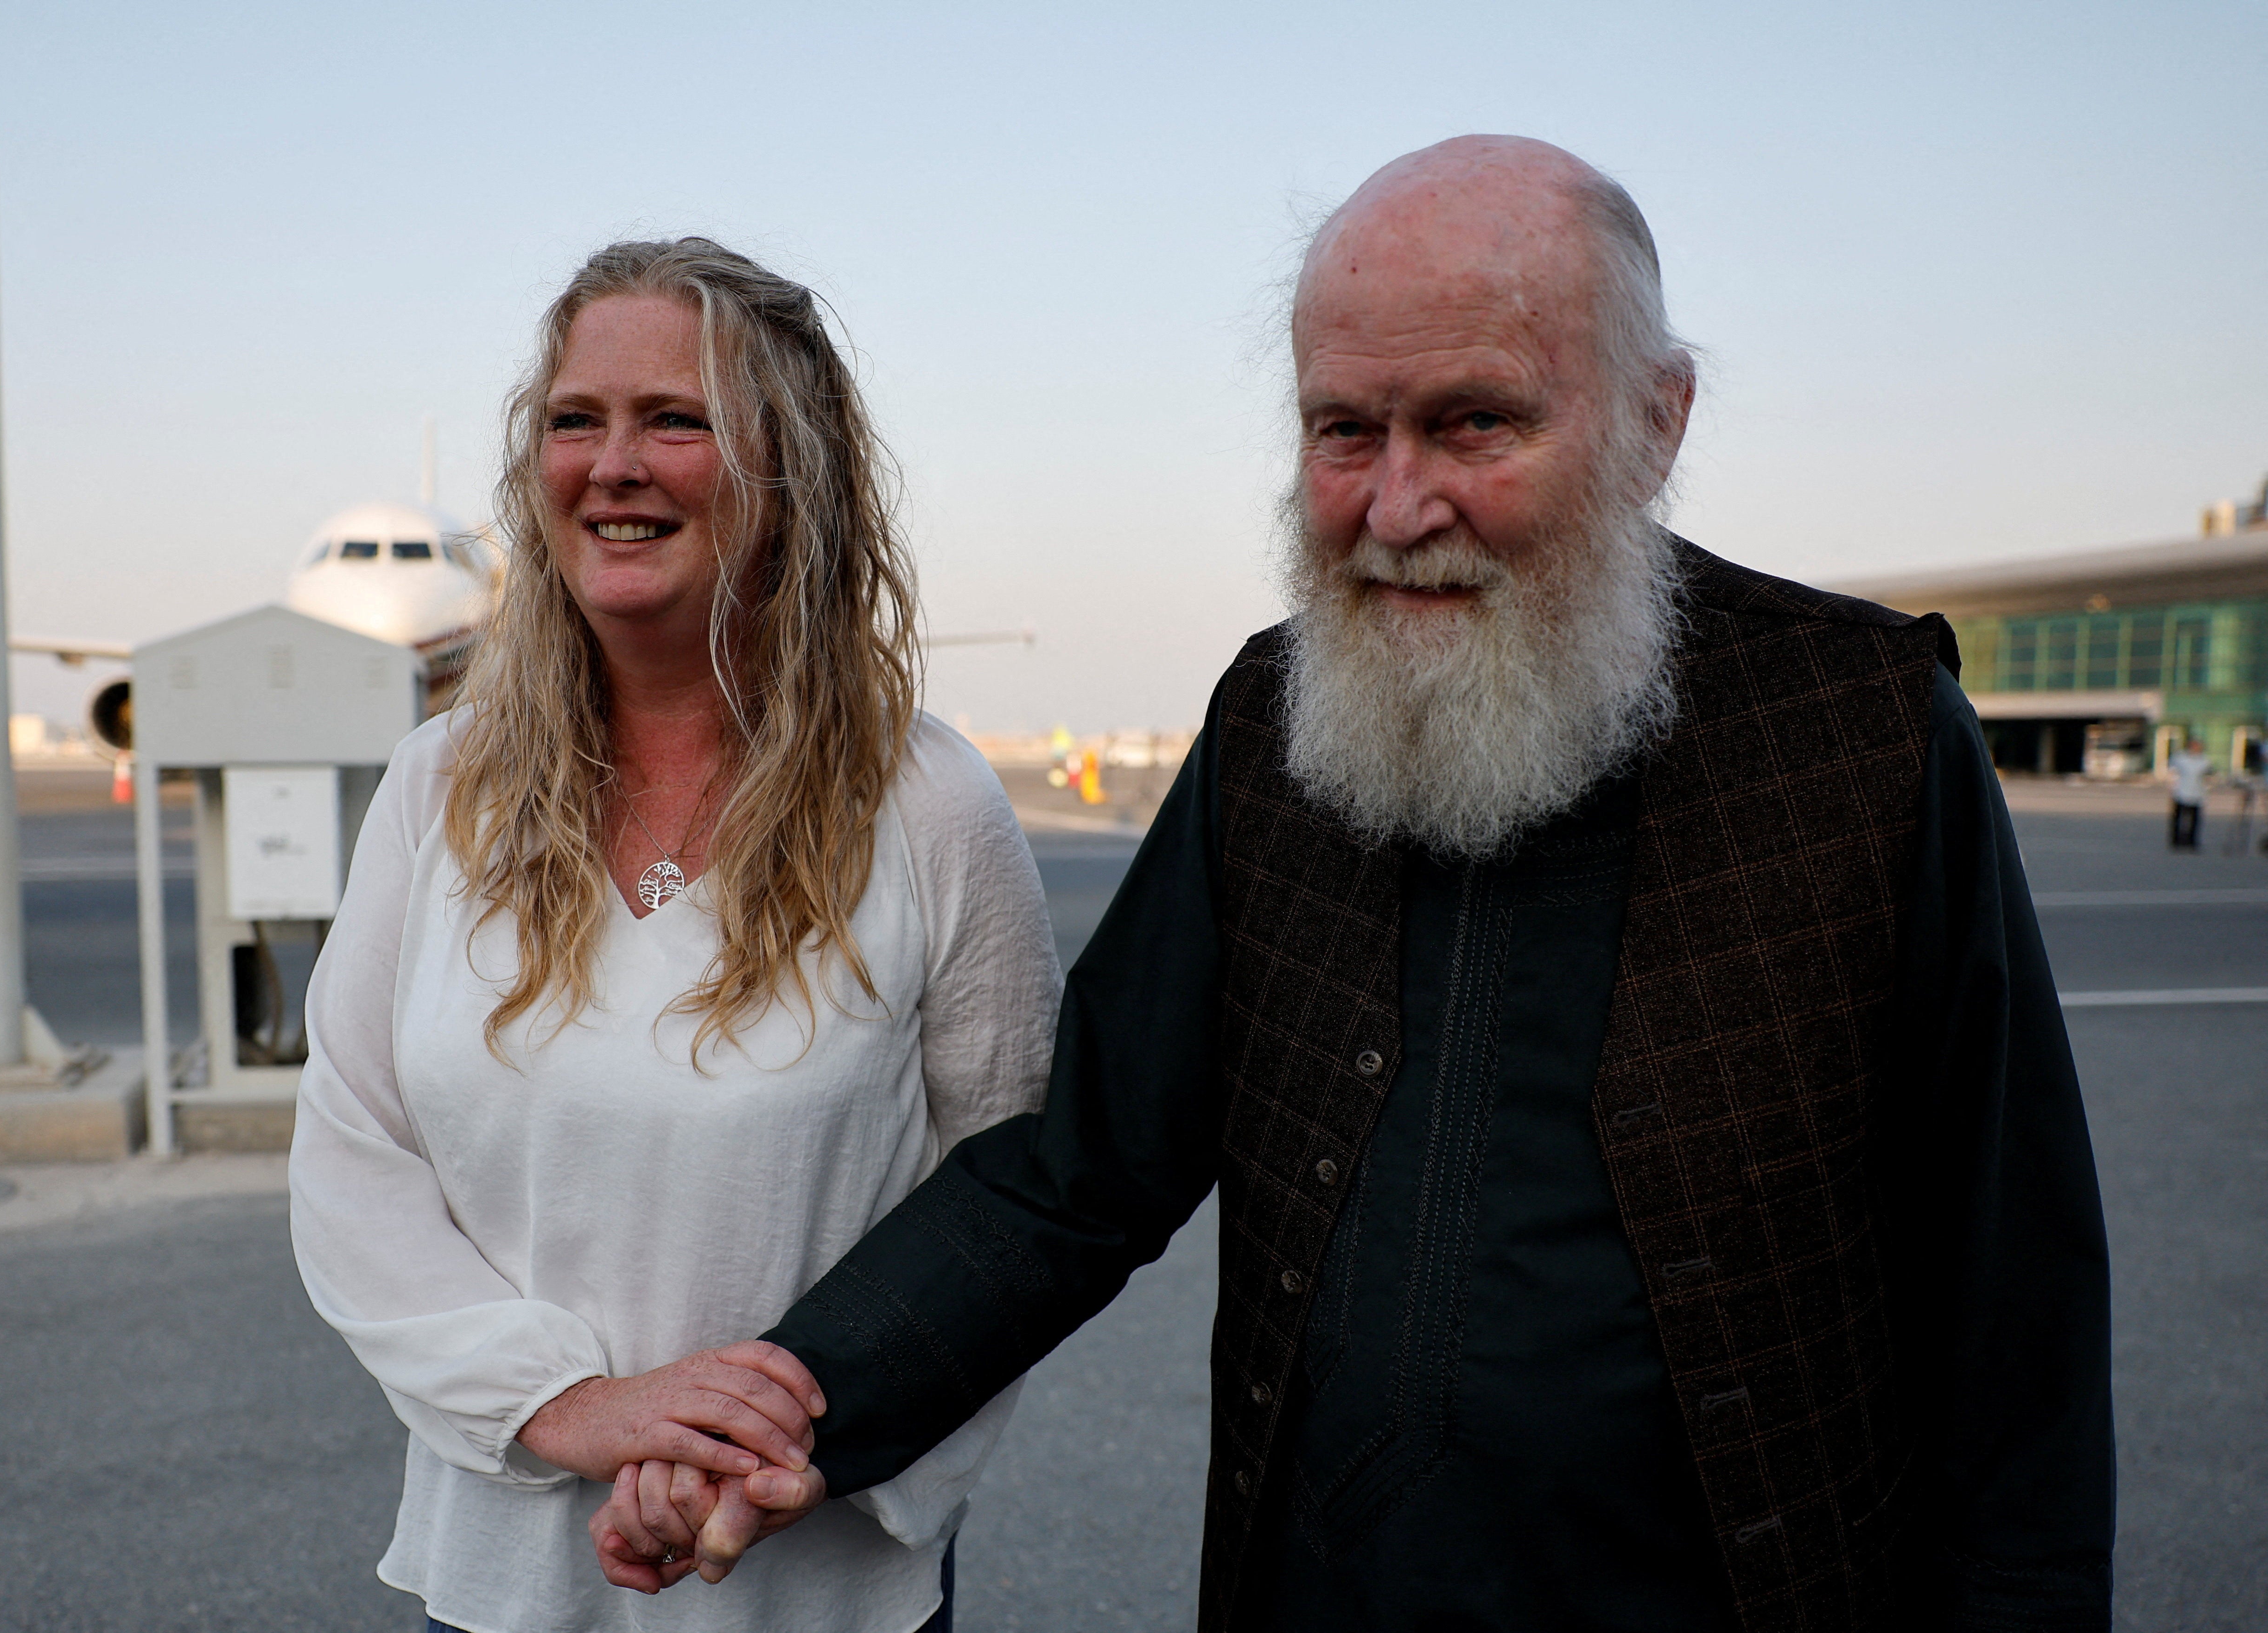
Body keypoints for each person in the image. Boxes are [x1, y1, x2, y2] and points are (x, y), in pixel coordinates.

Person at [612, 139, 2116, 1631]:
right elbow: (1074, 1173)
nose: (1396, 507)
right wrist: (794, 1403)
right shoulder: (1274, 729)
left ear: (1655, 426)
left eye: (1473, 424)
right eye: (1344, 433)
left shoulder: (1857, 734)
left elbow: (2014, 1315)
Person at [287, 237, 1059, 1633]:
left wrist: (781, 1454)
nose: (613, 464)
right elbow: (354, 1166)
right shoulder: (437, 793)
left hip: (815, 1581)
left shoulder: (931, 806)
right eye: (576, 421)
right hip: (507, 1584)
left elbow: (1005, 1212)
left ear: (791, 476)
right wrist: (572, 1406)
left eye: (677, 421)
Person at [2168, 735, 2210, 850]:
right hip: (2181, 792)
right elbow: (2172, 772)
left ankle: (2192, 842)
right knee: (2178, 819)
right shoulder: (2180, 758)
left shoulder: (2204, 760)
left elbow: (2207, 776)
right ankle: (2176, 841)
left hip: (2198, 794)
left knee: (2195, 821)